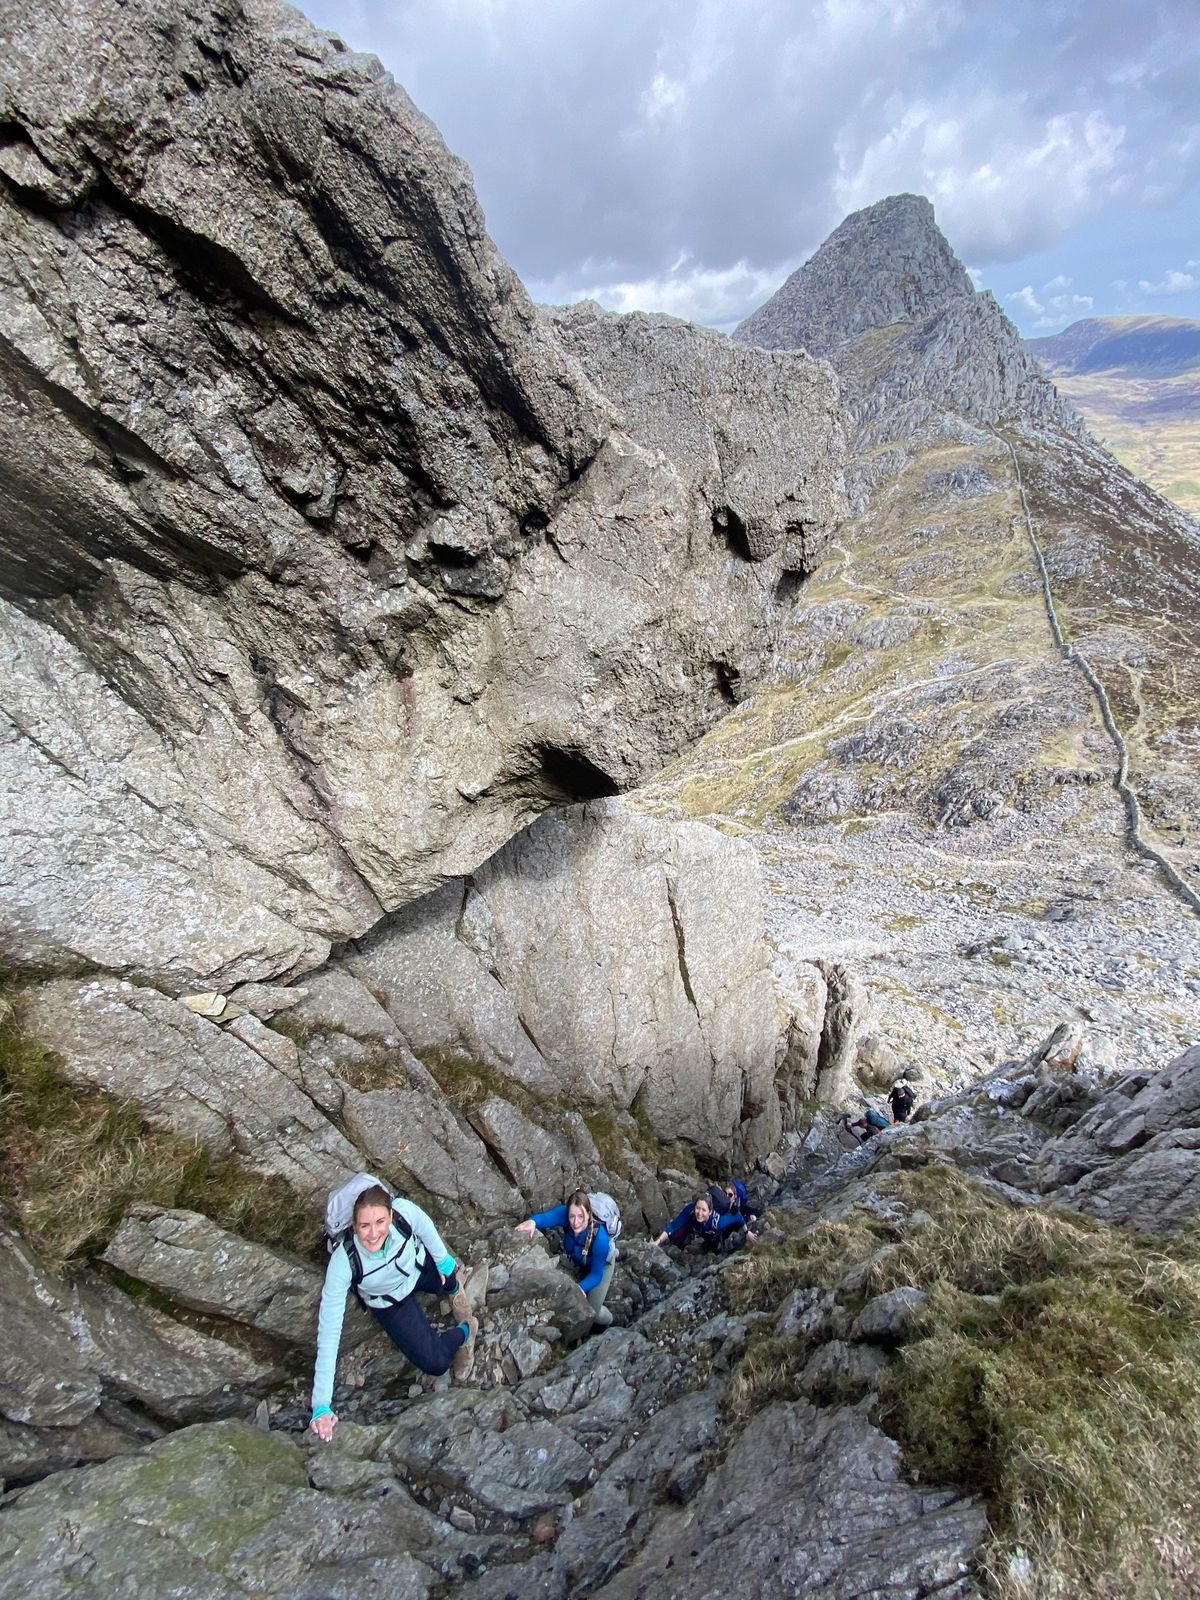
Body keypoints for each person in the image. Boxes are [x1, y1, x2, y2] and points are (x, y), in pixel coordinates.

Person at [311, 1184, 477, 1443]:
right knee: (436, 1363)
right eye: (364, 1226)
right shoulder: (344, 1262)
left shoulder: (404, 1213)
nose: (374, 1233)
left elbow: (425, 1227)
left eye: (380, 1221)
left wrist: (445, 1262)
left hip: (415, 1267)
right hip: (389, 1301)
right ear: (354, 1227)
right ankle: (467, 1330)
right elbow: (329, 1331)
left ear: (391, 1214)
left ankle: (454, 1289)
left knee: (448, 1275)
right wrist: (321, 1404)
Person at [515, 1189, 616, 1330]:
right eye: (572, 1216)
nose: (575, 1222)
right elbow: (545, 1219)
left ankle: (612, 1321)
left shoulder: (600, 1241)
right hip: (583, 1258)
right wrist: (533, 1222)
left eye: (581, 1216)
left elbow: (596, 1274)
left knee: (594, 1312)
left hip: (602, 1265)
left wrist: (580, 1288)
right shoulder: (566, 1214)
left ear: (589, 1214)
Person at [655, 1191, 755, 1251]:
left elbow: (737, 1217)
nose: (699, 1212)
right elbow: (673, 1225)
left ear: (710, 1211)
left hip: (712, 1233)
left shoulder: (719, 1222)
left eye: (704, 1210)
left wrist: (747, 1232)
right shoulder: (690, 1210)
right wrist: (657, 1242)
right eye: (698, 1208)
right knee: (675, 1235)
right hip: (696, 1226)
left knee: (714, 1247)